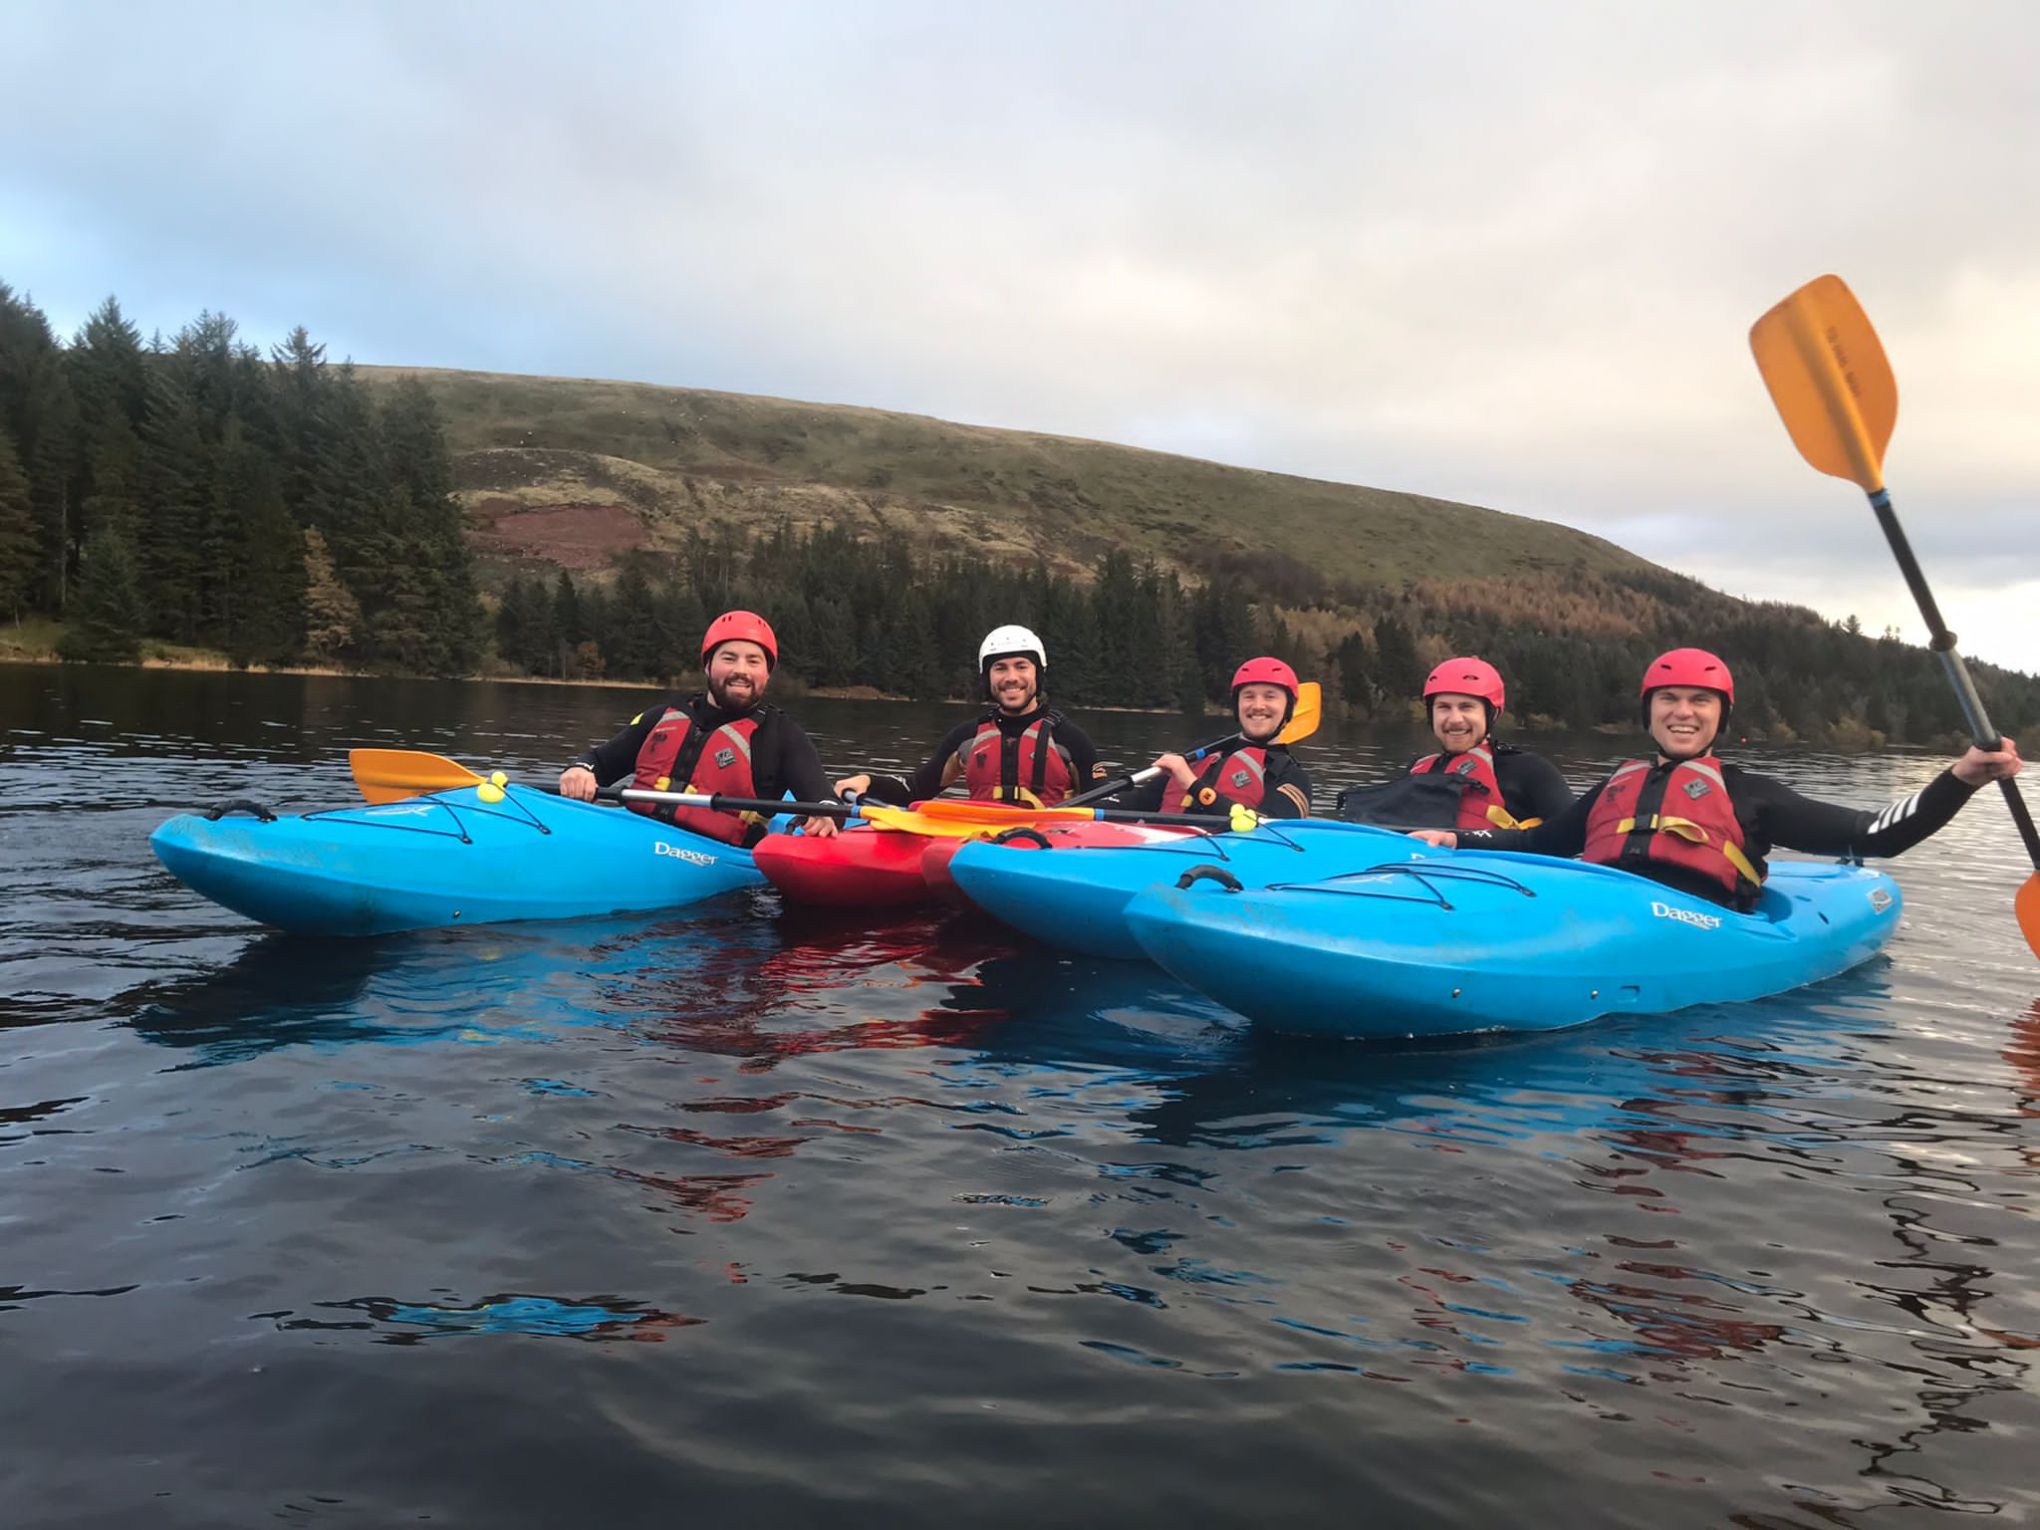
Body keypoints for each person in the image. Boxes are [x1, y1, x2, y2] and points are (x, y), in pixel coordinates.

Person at [1410, 647, 2024, 911]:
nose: (1683, 711)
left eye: (1700, 701)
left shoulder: (1749, 792)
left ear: (1720, 715)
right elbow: (1543, 842)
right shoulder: (1615, 784)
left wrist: (1962, 775)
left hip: (1694, 922)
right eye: (1669, 699)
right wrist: (1456, 839)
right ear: (1648, 712)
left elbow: (1877, 836)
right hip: (1596, 909)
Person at [559, 609, 839, 844]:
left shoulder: (782, 735)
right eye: (728, 658)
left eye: (753, 661)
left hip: (717, 862)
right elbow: (598, 762)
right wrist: (580, 770)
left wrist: (825, 815)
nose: (741, 670)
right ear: (707, 666)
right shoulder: (663, 717)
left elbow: (827, 803)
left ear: (766, 673)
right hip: (637, 837)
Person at [833, 624, 1107, 807]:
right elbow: (916, 789)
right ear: (988, 677)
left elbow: (1105, 804)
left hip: (1050, 849)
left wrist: (1153, 783)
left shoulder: (1069, 738)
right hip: (981, 845)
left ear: (1038, 673)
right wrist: (867, 780)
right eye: (1000, 668)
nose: (1012, 678)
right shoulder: (967, 737)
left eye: (1021, 666)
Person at [1336, 656, 1572, 830]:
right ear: (1432, 715)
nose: (1455, 719)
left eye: (1467, 707)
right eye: (1444, 707)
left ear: (1492, 714)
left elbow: (1570, 839)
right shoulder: (1418, 770)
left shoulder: (1530, 771)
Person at [1121, 657, 1313, 819]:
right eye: (1248, 696)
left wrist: (1193, 785)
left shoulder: (1292, 777)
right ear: (1237, 703)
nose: (1258, 705)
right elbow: (1139, 802)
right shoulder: (1203, 751)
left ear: (1290, 706)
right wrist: (1096, 807)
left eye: (1270, 697)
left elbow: (1270, 831)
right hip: (1160, 848)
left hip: (1228, 859)